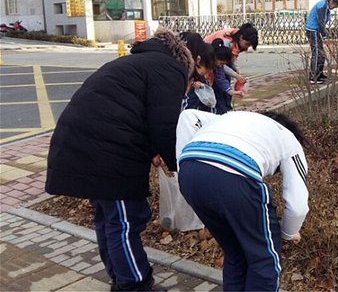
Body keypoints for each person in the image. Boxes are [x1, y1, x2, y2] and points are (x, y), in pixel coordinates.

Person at [45, 27, 194, 292]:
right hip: (106, 152)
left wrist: (152, 152)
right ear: (186, 65)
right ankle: (134, 284)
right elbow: (164, 126)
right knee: (127, 221)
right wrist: (181, 166)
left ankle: (121, 278)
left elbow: (132, 112)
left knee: (110, 219)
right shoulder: (170, 69)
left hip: (83, 143)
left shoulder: (137, 62)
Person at [175, 109, 309, 291]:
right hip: (235, 178)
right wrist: (288, 232)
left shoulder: (231, 117)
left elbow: (188, 116)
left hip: (190, 174)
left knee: (236, 253)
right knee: (264, 261)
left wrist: (183, 165)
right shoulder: (289, 140)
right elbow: (298, 206)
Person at [204, 23, 259, 113]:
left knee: (224, 86)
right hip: (209, 59)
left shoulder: (236, 38)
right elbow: (221, 65)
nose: (246, 47)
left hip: (218, 61)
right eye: (247, 44)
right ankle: (221, 113)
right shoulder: (224, 43)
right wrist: (236, 75)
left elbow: (232, 57)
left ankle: (226, 110)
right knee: (219, 87)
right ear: (241, 37)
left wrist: (236, 71)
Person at [180, 33, 233, 113]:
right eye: (208, 70)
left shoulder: (200, 63)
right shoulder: (185, 67)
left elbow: (220, 78)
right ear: (198, 60)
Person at [306, 0, 338, 84]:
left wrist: (324, 34)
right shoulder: (322, 6)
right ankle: (313, 77)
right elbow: (321, 22)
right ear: (331, 1)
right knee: (317, 53)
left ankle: (319, 74)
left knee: (322, 54)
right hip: (312, 30)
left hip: (316, 31)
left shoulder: (326, 7)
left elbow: (323, 23)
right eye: (334, 6)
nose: (334, 8)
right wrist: (324, 36)